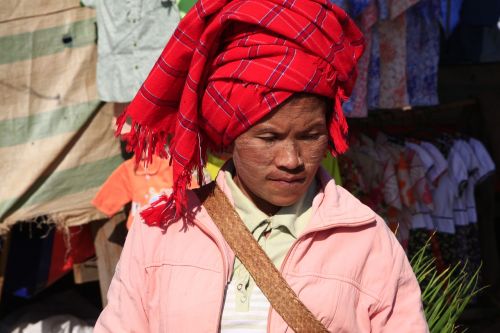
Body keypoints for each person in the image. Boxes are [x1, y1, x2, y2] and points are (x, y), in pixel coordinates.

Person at [94, 0, 428, 331]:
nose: (292, 160)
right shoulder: (162, 234)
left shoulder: (364, 239)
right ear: (229, 138)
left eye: (311, 136)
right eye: (269, 138)